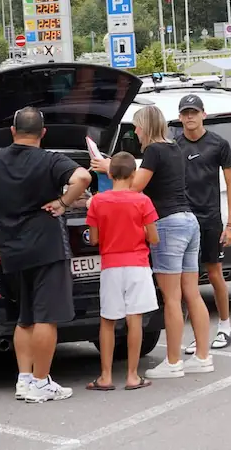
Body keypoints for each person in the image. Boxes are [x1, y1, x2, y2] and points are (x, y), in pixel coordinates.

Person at [0, 107, 92, 403]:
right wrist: (64, 203)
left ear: (13, 131)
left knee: (25, 316)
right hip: (46, 247)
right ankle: (42, 382)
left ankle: (24, 379)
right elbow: (83, 177)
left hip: (11, 249)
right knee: (46, 316)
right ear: (43, 133)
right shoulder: (50, 160)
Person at [91, 105, 214, 379]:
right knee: (191, 292)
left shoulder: (154, 151)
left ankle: (173, 362)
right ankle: (203, 356)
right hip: (189, 221)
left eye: (137, 126)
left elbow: (133, 188)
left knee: (172, 297)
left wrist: (108, 168)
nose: (135, 131)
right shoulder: (175, 148)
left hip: (168, 225)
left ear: (145, 126)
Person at [85, 152, 160, 391]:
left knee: (107, 321)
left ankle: (105, 376)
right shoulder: (142, 200)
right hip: (137, 264)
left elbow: (94, 238)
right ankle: (132, 375)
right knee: (134, 319)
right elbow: (154, 238)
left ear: (109, 173)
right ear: (133, 174)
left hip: (111, 266)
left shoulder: (98, 202)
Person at [175, 94, 231, 355]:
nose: (190, 117)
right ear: (179, 118)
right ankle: (197, 334)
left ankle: (225, 326)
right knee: (187, 279)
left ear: (204, 114)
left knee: (214, 273)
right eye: (185, 113)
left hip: (210, 218)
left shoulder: (218, 144)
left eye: (194, 112)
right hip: (184, 219)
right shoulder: (174, 145)